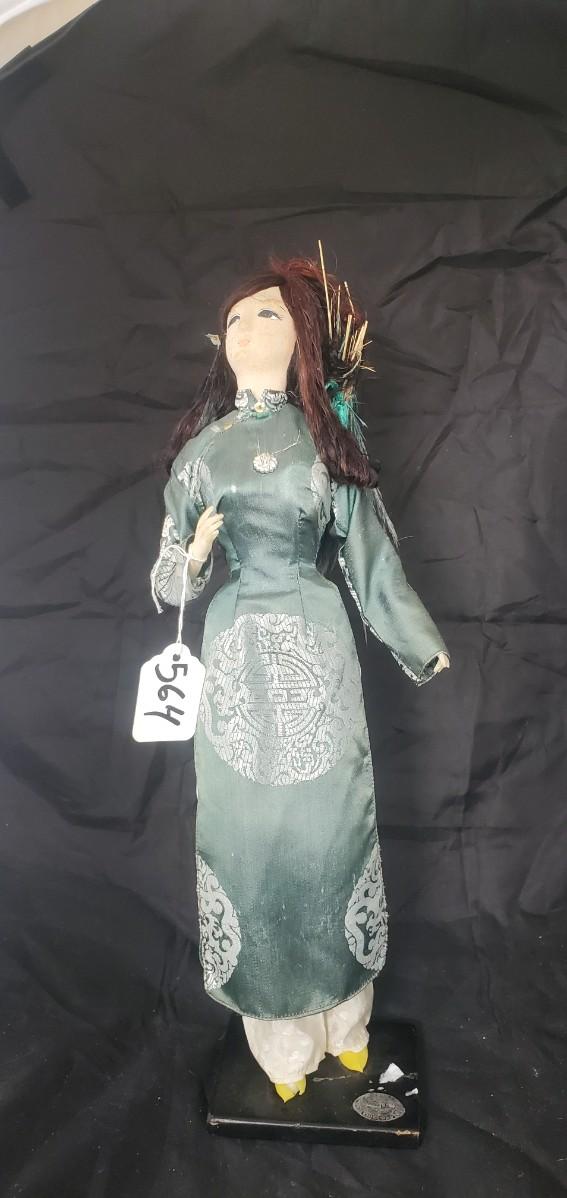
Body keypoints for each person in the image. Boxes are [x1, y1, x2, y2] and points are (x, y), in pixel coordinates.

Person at [149, 251, 450, 1103]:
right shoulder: (203, 452)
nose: (247, 330)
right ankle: (281, 1048)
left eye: (268, 314)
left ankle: (345, 1027)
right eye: (235, 319)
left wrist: (416, 641)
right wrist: (193, 555)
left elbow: (368, 554)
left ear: (304, 336)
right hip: (234, 655)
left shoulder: (326, 439)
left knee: (330, 834)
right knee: (249, 844)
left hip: (317, 648)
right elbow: (165, 581)